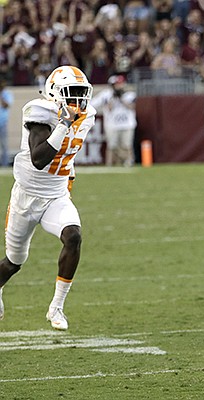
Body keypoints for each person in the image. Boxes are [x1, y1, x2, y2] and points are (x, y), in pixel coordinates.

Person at [0, 66, 96, 330]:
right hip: (26, 197)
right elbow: (39, 159)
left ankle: (57, 307)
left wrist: (70, 181)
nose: (76, 101)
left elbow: (70, 156)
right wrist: (64, 123)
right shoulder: (40, 111)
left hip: (56, 196)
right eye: (70, 93)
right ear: (54, 93)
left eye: (80, 93)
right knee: (13, 262)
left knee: (73, 236)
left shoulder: (88, 116)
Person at [92, 75, 137, 167]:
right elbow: (107, 107)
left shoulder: (129, 94)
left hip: (127, 123)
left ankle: (129, 162)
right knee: (112, 146)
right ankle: (110, 164)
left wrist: (121, 98)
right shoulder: (107, 95)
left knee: (126, 145)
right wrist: (113, 98)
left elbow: (131, 107)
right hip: (112, 124)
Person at [0, 79, 14, 166]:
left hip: (3, 122)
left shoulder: (7, 93)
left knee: (4, 144)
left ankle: (4, 164)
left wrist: (1, 97)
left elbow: (7, 105)